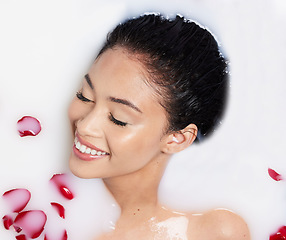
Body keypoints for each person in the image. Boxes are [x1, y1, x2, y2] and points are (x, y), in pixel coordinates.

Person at [68, 13, 250, 240]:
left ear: (178, 139)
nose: (85, 125)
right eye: (84, 96)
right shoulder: (45, 201)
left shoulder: (211, 232)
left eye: (118, 118)